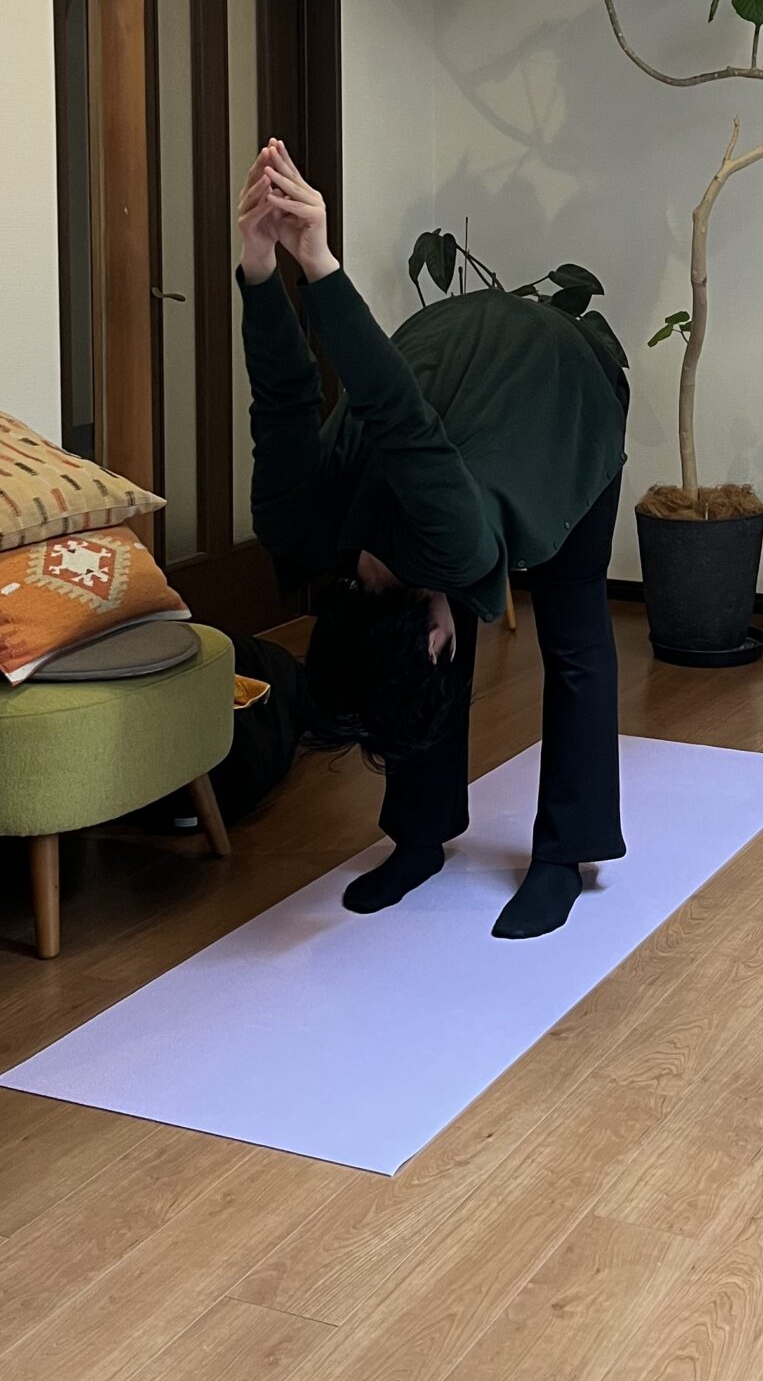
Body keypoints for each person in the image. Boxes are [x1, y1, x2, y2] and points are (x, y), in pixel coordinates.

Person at [235, 140, 628, 938]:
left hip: (561, 389)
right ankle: (420, 837)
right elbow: (283, 398)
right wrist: (258, 264)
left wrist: (310, 263)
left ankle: (564, 855)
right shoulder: (298, 524)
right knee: (406, 654)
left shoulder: (421, 539)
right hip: (456, 381)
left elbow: (388, 408)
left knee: (574, 630)